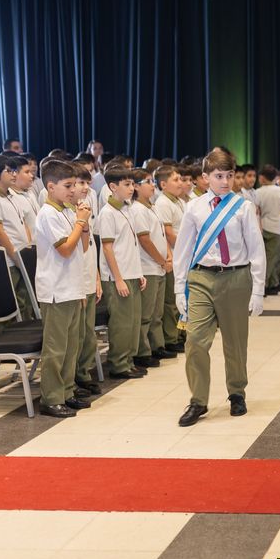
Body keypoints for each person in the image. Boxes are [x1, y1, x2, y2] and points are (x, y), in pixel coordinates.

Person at [173, 149, 266, 427]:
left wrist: (258, 290)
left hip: (235, 278)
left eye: (229, 176)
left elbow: (256, 249)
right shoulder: (194, 207)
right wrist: (179, 287)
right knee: (195, 342)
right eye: (218, 176)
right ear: (205, 178)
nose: (225, 182)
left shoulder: (243, 207)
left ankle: (236, 393)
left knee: (235, 343)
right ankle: (198, 400)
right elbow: (183, 250)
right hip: (201, 278)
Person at [34, 160, 92, 418]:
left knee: (71, 346)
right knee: (56, 349)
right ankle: (51, 398)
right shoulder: (48, 214)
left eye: (74, 185)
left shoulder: (68, 211)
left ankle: (67, 392)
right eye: (68, 186)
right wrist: (80, 222)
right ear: (51, 186)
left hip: (73, 286)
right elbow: (66, 249)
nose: (73, 190)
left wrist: (84, 224)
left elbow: (84, 247)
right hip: (56, 290)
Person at [97, 166, 146, 379]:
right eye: (127, 184)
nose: (131, 188)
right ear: (112, 187)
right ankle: (118, 364)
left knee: (133, 321)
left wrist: (139, 273)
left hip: (132, 272)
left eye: (132, 184)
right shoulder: (107, 213)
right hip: (117, 276)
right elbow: (108, 248)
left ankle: (129, 361)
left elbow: (131, 245)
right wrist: (118, 279)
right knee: (121, 323)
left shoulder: (128, 208)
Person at [130, 167, 175, 367]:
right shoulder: (137, 209)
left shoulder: (152, 206)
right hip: (148, 266)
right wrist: (161, 260)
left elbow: (162, 235)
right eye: (147, 182)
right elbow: (145, 240)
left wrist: (168, 256)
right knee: (146, 314)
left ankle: (157, 345)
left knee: (157, 312)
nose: (152, 185)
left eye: (152, 181)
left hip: (159, 265)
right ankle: (142, 351)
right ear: (136, 187)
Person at [0, 155, 33, 321]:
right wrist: (15, 256)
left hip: (21, 255)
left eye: (14, 171)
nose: (14, 174)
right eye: (9, 171)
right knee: (12, 302)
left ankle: (28, 329)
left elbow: (24, 224)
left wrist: (28, 248)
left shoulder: (13, 195)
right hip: (9, 260)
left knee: (26, 300)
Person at [70, 164, 102, 396]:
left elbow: (90, 248)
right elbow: (72, 253)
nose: (85, 188)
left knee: (89, 333)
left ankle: (83, 373)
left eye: (87, 183)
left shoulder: (84, 209)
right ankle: (74, 377)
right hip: (76, 283)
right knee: (77, 334)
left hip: (90, 277)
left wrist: (97, 277)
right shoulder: (68, 214)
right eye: (79, 183)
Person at [154, 165, 187, 354]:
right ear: (163, 184)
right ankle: (170, 338)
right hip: (174, 255)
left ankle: (181, 333)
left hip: (183, 255)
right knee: (171, 301)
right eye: (175, 180)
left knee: (182, 298)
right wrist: (184, 248)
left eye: (180, 179)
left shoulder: (179, 201)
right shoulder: (163, 203)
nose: (180, 183)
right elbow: (168, 233)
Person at [256, 165, 280, 295]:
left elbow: (257, 210)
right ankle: (264, 285)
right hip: (276, 227)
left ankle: (272, 284)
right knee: (272, 258)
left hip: (262, 226)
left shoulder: (258, 192)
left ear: (262, 177)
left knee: (264, 258)